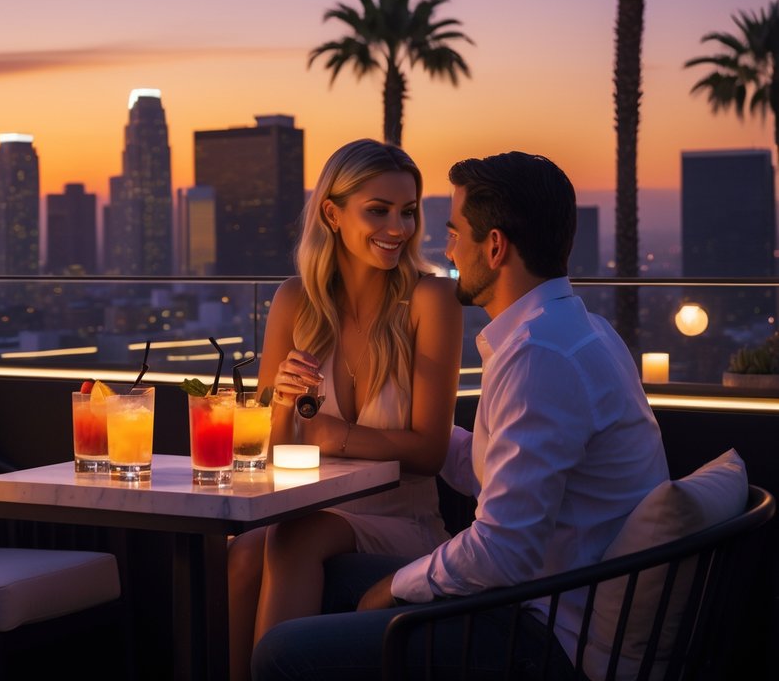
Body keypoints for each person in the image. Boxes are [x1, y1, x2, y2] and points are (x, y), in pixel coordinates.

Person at [251, 152, 670, 680]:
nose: (442, 248)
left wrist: (393, 587)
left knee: (283, 652)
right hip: (547, 597)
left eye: (454, 233)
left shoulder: (539, 356)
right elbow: (497, 470)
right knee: (278, 557)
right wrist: (400, 431)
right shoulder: (576, 333)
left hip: (547, 630)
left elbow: (504, 552)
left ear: (494, 247)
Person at [228, 138, 463, 680]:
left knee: (295, 536)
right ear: (332, 214)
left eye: (408, 212)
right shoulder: (295, 301)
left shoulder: (432, 300)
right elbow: (266, 448)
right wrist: (283, 404)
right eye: (377, 211)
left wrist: (330, 434)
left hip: (404, 520)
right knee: (243, 552)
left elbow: (428, 452)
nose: (398, 228)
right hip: (317, 509)